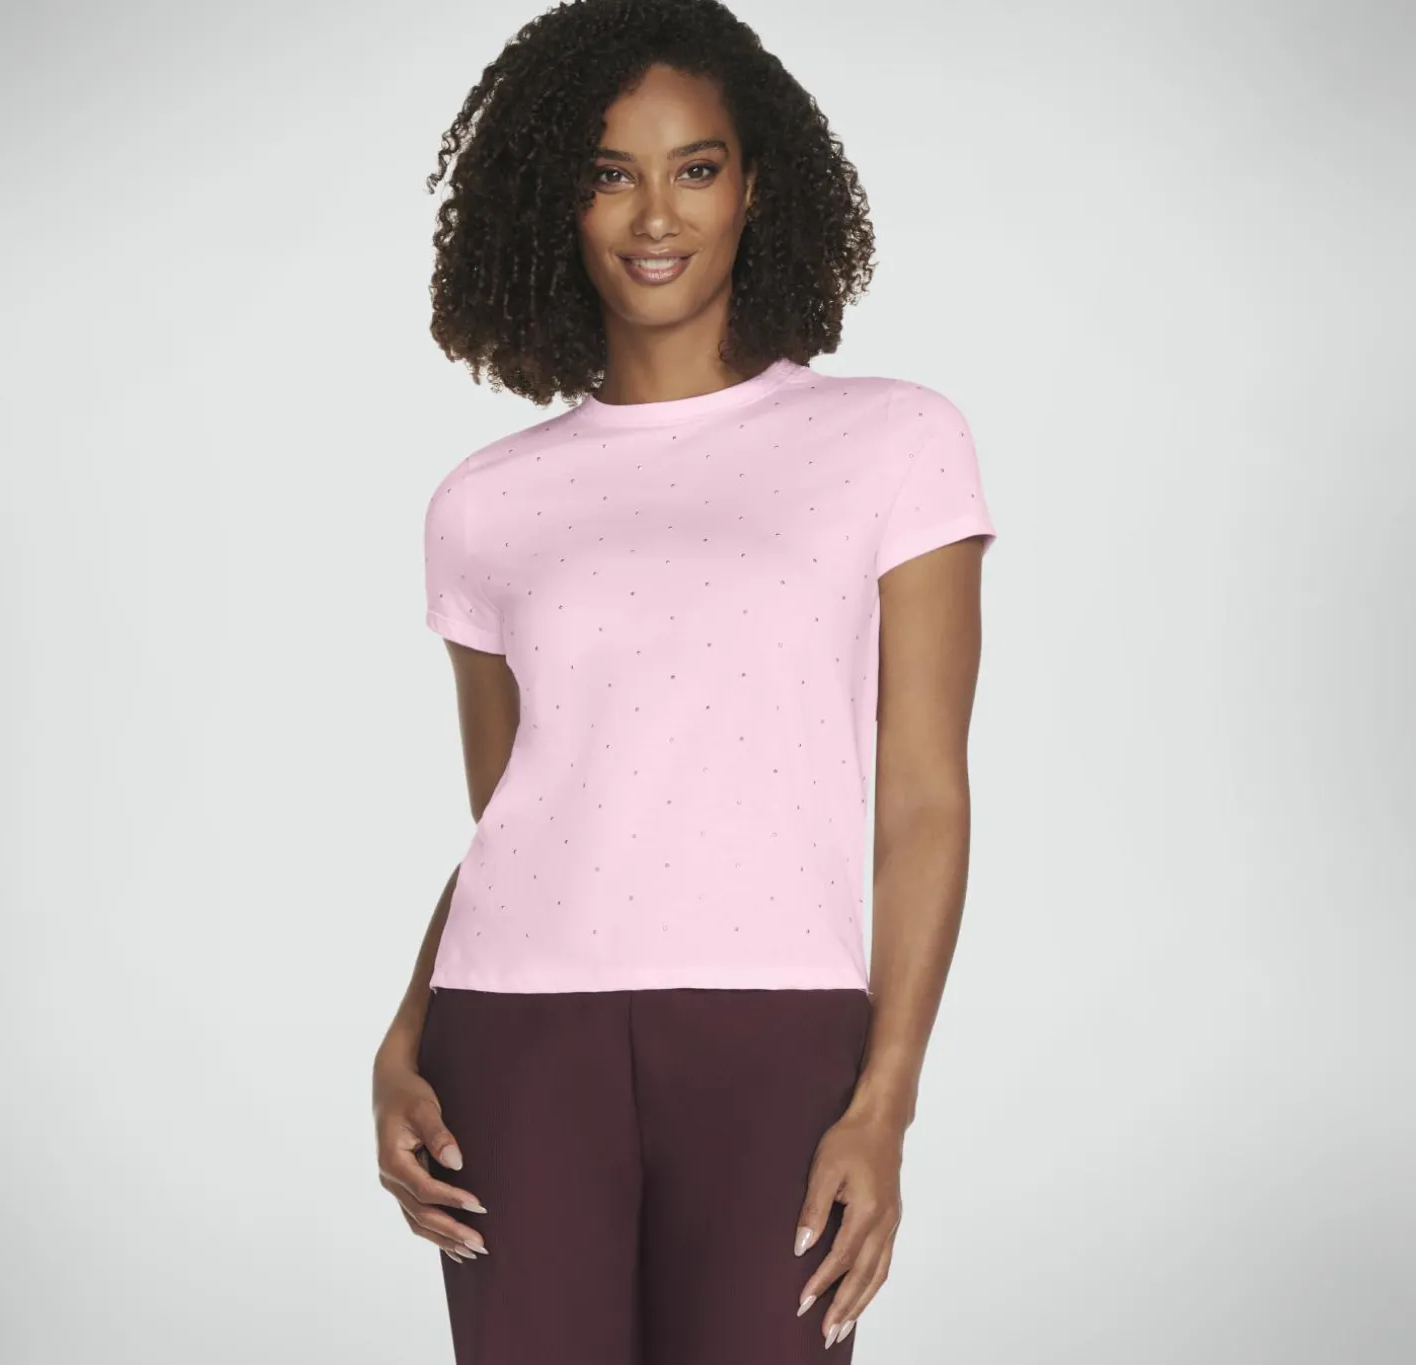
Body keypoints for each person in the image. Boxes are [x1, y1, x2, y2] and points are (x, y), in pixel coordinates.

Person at [372, 2, 998, 1360]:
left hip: (781, 1038)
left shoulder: (895, 442)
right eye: (611, 173)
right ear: (557, 200)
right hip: (512, 1041)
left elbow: (923, 802)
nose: (655, 215)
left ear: (756, 184)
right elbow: (515, 812)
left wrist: (885, 1100)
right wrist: (403, 1036)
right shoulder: (485, 501)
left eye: (695, 168)